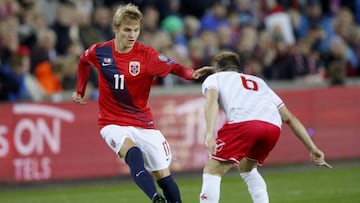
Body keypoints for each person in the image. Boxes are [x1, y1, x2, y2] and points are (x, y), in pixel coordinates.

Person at [72, 3, 213, 203]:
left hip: (142, 123)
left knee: (163, 175)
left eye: (136, 30)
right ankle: (155, 198)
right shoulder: (100, 52)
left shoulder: (147, 55)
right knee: (133, 153)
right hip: (111, 122)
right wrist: (80, 89)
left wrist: (192, 73)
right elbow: (83, 60)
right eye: (127, 30)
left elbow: (174, 67)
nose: (132, 35)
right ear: (116, 28)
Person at [199, 51, 331, 203]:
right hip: (273, 128)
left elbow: (211, 100)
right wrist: (312, 148)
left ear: (216, 69)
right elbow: (289, 118)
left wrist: (209, 133)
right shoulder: (259, 82)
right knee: (247, 168)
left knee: (212, 170)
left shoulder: (214, 78)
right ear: (240, 70)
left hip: (245, 124)